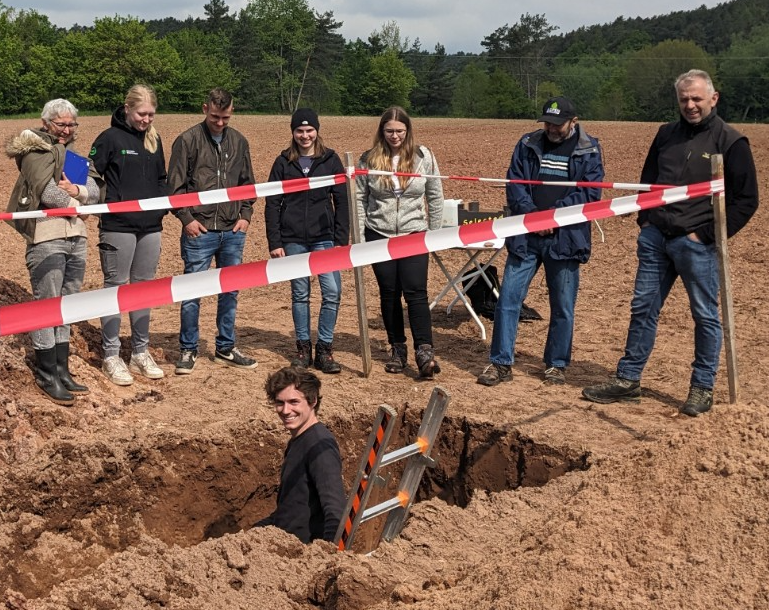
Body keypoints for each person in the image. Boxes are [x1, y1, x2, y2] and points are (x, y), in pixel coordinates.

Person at [582, 70, 759, 417]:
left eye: (696, 99)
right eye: (684, 99)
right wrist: (646, 223)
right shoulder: (665, 134)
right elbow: (649, 183)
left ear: (713, 98)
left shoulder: (731, 142)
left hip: (696, 244)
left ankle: (701, 388)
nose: (690, 105)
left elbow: (746, 200)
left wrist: (704, 235)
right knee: (642, 309)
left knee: (705, 316)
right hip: (656, 239)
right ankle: (628, 379)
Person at [477, 96, 604, 387]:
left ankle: (556, 364)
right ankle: (500, 363)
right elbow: (516, 183)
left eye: (558, 124)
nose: (551, 128)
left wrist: (553, 217)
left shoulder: (589, 149)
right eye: (548, 122)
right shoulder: (527, 143)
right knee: (508, 300)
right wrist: (534, 215)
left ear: (574, 121)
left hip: (566, 239)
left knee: (562, 306)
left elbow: (589, 193)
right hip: (525, 235)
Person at [5, 99, 102, 406]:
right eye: (61, 124)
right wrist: (78, 207)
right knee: (47, 304)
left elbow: (95, 189)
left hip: (75, 236)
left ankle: (62, 369)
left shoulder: (71, 156)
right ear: (46, 123)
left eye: (72, 124)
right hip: (47, 237)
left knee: (68, 304)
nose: (67, 130)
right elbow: (43, 190)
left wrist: (79, 192)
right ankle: (47, 373)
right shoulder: (35, 152)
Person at [167, 88, 257, 375]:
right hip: (200, 231)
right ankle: (188, 349)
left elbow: (247, 183)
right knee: (192, 292)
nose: (220, 123)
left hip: (232, 230)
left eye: (226, 117)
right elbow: (175, 187)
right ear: (204, 108)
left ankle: (225, 347)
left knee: (229, 291)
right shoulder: (187, 141)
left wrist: (245, 215)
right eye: (215, 117)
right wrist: (186, 219)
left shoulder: (239, 142)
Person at [355, 106, 444, 378]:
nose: (395, 136)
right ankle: (398, 348)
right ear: (382, 131)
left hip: (414, 233)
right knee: (389, 293)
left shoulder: (423, 157)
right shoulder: (368, 159)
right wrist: (359, 239)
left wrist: (434, 235)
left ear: (408, 131)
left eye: (400, 131)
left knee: (416, 291)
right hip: (378, 233)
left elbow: (435, 196)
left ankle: (425, 351)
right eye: (390, 131)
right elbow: (359, 199)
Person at [89, 84, 168, 386]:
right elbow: (89, 175)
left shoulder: (154, 139)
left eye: (151, 114)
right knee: (116, 289)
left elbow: (162, 178)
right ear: (127, 109)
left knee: (143, 290)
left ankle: (140, 352)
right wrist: (103, 205)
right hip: (117, 226)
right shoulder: (110, 138)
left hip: (151, 228)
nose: (147, 119)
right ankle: (111, 355)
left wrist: (159, 209)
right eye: (142, 114)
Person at [265, 109, 349, 374]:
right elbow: (271, 203)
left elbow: (342, 201)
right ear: (293, 132)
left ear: (317, 130)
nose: (304, 135)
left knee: (332, 292)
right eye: (299, 131)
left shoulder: (330, 159)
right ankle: (303, 349)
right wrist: (275, 241)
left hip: (324, 238)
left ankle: (324, 349)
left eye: (309, 130)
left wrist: (340, 239)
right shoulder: (282, 162)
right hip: (292, 239)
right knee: (300, 294)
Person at [254, 366, 346, 544]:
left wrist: (326, 557)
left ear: (312, 402)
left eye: (293, 402)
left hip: (301, 555)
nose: (286, 410)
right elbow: (289, 508)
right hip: (283, 543)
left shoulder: (320, 446)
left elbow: (336, 512)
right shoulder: (298, 441)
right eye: (280, 403)